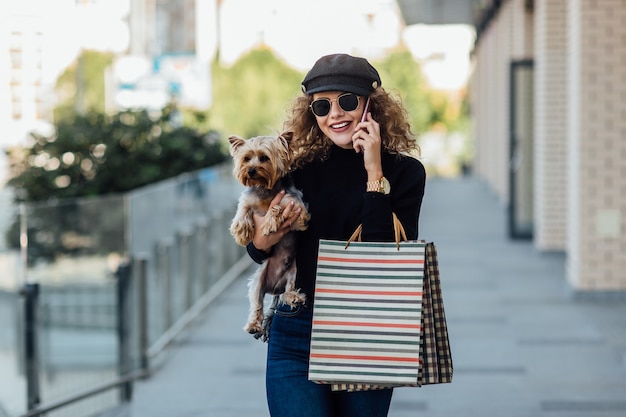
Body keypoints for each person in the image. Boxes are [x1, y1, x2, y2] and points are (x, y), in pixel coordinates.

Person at [246, 53, 426, 417]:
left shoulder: (406, 173)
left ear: (370, 105)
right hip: (295, 329)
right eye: (321, 106)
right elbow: (258, 251)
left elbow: (381, 253)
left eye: (346, 101)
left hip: (366, 333)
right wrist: (268, 232)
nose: (335, 114)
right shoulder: (299, 170)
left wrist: (373, 168)